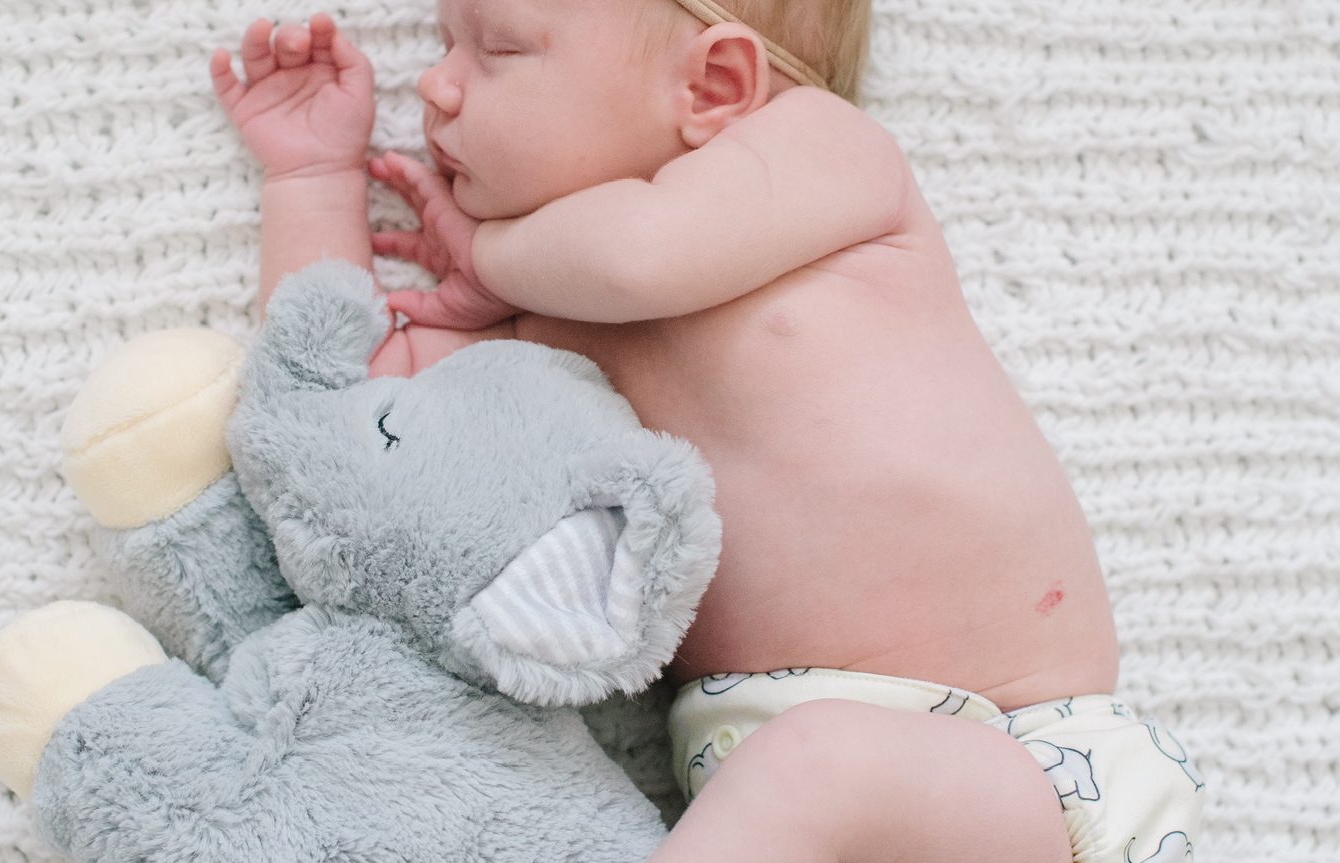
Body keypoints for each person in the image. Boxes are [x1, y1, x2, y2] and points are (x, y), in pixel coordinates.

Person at [209, 2, 1204, 860]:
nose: (436, 85)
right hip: (762, 801)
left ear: (714, 86)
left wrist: (487, 254)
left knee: (822, 760)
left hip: (1023, 770)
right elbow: (351, 420)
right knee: (803, 765)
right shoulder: (543, 343)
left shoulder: (824, 155)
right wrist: (311, 182)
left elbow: (639, 257)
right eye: (442, 41)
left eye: (500, 47)